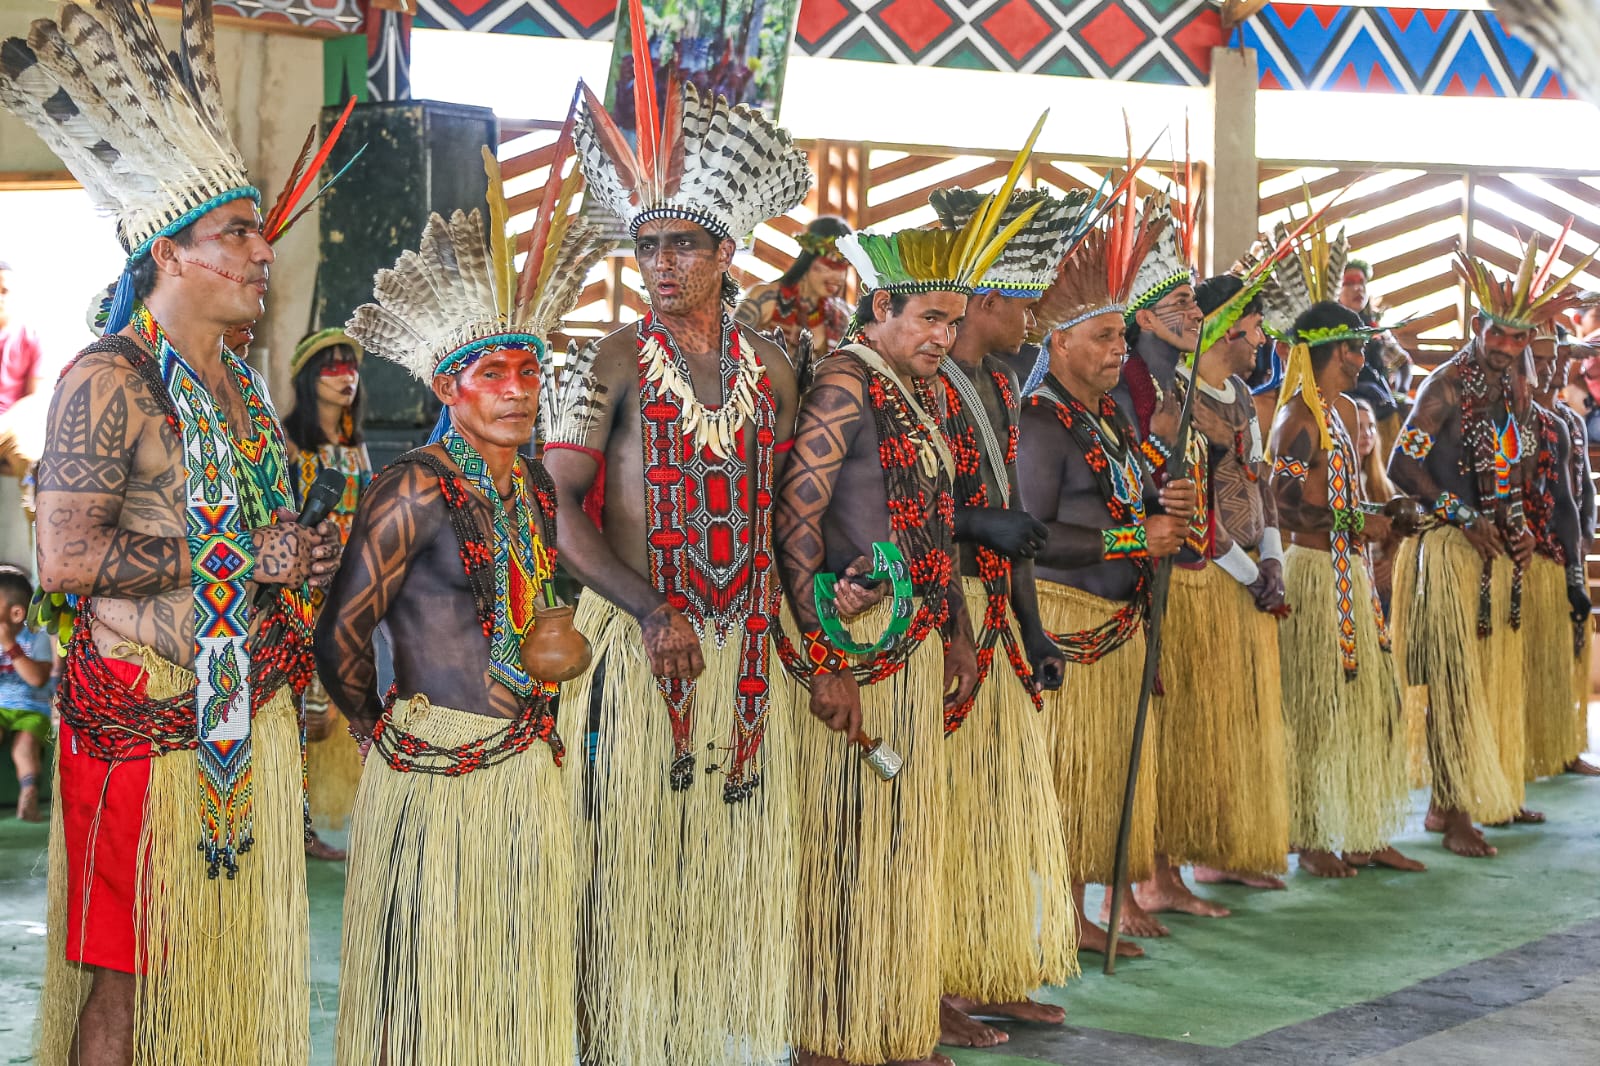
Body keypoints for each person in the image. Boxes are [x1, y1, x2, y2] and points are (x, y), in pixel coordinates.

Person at [2, 3, 343, 1061]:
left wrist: (299, 565)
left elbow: (264, 534)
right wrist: (249, 551)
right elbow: (63, 559)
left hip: (241, 712)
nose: (258, 249)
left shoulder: (240, 386)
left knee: (215, 965)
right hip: (140, 727)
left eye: (255, 230)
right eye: (235, 233)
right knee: (127, 979)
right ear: (172, 253)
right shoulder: (108, 378)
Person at [547, 28, 812, 1064]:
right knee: (632, 855)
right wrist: (649, 608)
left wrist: (807, 635)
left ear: (724, 254)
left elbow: (783, 516)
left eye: (681, 246)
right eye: (645, 247)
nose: (658, 265)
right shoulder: (607, 358)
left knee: (734, 847)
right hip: (631, 644)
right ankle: (623, 1035)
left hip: (746, 648)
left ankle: (716, 1028)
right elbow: (561, 509)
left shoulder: (776, 370)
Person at [319, 143, 609, 1062]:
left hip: (526, 766)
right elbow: (343, 631)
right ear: (449, 386)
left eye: (529, 372)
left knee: (511, 977)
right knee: (426, 981)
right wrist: (381, 736)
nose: (519, 392)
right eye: (495, 375)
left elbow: (531, 606)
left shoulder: (531, 488)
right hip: (438, 765)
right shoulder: (414, 488)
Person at [777, 195, 1016, 1063]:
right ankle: (830, 1034)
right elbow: (797, 523)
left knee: (900, 840)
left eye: (953, 321)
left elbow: (934, 521)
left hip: (914, 640)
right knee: (846, 844)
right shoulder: (847, 382)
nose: (944, 337)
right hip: (861, 642)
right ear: (883, 309)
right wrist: (822, 655)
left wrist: (955, 626)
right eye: (929, 319)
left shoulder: (916, 391)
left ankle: (890, 1015)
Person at [924, 180, 1085, 1046]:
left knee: (998, 804)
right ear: (983, 300)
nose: (1034, 318)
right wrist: (959, 619)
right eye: (1025, 302)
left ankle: (990, 964)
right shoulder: (930, 380)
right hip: (939, 624)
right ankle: (935, 981)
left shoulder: (995, 383)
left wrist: (1032, 627)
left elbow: (1013, 523)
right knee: (949, 815)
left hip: (991, 616)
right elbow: (903, 510)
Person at [1018, 204, 1195, 957]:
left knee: (1094, 783)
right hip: (1066, 623)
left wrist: (1166, 502)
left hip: (1115, 628)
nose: (1121, 349)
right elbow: (1030, 536)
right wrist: (1135, 534)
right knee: (1062, 781)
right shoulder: (1040, 424)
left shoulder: (1109, 423)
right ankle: (1051, 917)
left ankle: (1080, 909)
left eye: (1125, 334)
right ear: (1059, 341)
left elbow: (1123, 501)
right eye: (1105, 336)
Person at [1389, 241, 1591, 857]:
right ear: (1479, 327)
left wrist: (1521, 528)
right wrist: (1461, 513)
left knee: (1491, 679)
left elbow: (1522, 473)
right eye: (1498, 335)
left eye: (1518, 338)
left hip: (1501, 556)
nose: (1506, 348)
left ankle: (1485, 792)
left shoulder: (1521, 397)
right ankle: (1447, 814)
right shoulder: (1445, 387)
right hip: (1451, 550)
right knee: (1456, 681)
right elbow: (1402, 464)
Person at [1267, 300, 1421, 878]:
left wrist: (1388, 513)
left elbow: (1348, 503)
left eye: (1361, 348)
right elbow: (1279, 509)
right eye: (1351, 349)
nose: (1361, 359)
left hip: (1351, 576)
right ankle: (1309, 835)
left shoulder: (1351, 413)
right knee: (1315, 709)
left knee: (1373, 703)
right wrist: (1361, 524)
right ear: (1324, 354)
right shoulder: (1298, 423)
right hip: (1312, 577)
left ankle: (1364, 831)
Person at [1113, 200, 1234, 923]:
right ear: (1148, 318)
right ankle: (1124, 888)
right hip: (1133, 574)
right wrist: (1157, 445)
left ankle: (1161, 873)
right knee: (1138, 735)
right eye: (1184, 304)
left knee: (1172, 733)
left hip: (1183, 574)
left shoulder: (1174, 382)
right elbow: (1118, 476)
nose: (1196, 315)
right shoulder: (1128, 377)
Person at [1179, 272, 1292, 892]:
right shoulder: (1182, 401)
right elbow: (1195, 506)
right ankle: (1196, 853)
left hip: (1251, 570)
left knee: (1245, 719)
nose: (1262, 339)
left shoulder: (1245, 395)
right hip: (1213, 577)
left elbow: (1260, 483)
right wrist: (1252, 574)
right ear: (1224, 330)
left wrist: (1272, 558)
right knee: (1210, 720)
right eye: (1252, 329)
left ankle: (1230, 845)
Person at [282, 327, 371, 861]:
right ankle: (294, 820)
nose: (346, 376)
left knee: (338, 708)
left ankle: (317, 817)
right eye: (332, 367)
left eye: (351, 366)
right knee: (302, 709)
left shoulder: (355, 446)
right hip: (301, 594)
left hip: (350, 594)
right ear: (308, 378)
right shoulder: (290, 443)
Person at [1519, 331, 1590, 783]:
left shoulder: (1567, 421)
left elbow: (1579, 491)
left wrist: (1581, 544)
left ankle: (1564, 746)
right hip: (1526, 557)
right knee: (1526, 661)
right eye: (1546, 356)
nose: (1556, 364)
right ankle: (1523, 747)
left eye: (1561, 355)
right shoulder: (1513, 419)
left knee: (1563, 657)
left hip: (1562, 551)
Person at [736, 216, 853, 359]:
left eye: (846, 265)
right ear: (809, 257)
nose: (840, 276)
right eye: (832, 263)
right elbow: (729, 350)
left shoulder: (841, 317)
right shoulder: (766, 298)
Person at [1338, 259, 1412, 454]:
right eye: (1350, 283)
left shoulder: (1376, 331)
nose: (1358, 289)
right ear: (1336, 289)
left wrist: (1401, 393)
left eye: (1362, 283)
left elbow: (1404, 363)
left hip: (1379, 410)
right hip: (1341, 407)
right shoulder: (1326, 330)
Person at [0, 564, 52, 822]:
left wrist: (10, 645)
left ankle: (29, 796)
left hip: (33, 708)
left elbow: (38, 678)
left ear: (16, 612)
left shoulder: (36, 639)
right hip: (0, 707)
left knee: (24, 748)